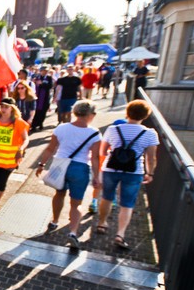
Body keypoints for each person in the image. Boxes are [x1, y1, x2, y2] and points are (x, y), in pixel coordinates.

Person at [35, 101, 102, 249]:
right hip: (80, 168)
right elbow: (95, 157)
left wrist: (41, 164)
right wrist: (97, 176)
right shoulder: (95, 133)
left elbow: (50, 148)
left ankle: (54, 220)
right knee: (76, 203)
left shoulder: (62, 128)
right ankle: (72, 231)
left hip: (60, 165)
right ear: (91, 115)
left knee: (59, 193)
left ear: (75, 112)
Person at [95, 100, 159, 249]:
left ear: (127, 112)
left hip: (111, 169)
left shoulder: (113, 129)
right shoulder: (149, 133)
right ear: (145, 115)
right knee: (127, 203)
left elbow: (103, 151)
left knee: (107, 197)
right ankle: (120, 234)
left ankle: (102, 223)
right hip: (134, 171)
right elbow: (151, 157)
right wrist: (150, 173)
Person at [0, 98, 30, 216]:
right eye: (2, 106)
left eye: (6, 107)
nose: (3, 109)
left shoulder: (18, 122)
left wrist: (21, 148)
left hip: (9, 160)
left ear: (12, 108)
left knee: (2, 183)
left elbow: (26, 138)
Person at [31, 67, 54, 131]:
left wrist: (42, 84)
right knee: (35, 112)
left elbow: (50, 86)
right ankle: (34, 125)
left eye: (45, 71)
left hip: (45, 98)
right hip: (36, 97)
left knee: (43, 112)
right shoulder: (37, 77)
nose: (44, 72)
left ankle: (40, 123)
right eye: (43, 71)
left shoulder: (49, 78)